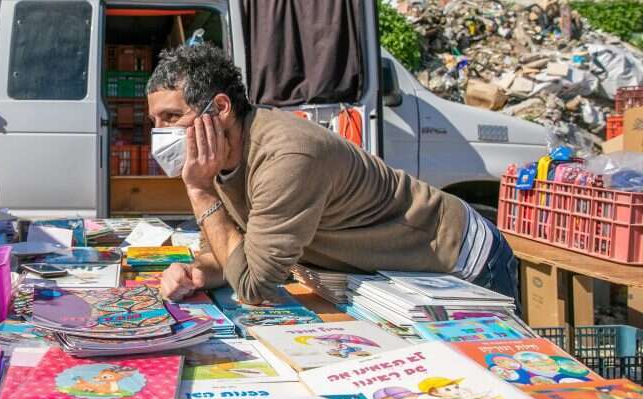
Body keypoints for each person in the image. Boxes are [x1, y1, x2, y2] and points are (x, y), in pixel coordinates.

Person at [149, 44, 519, 306]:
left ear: (221, 108)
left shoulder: (286, 156)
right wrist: (196, 271)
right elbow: (227, 252)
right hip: (397, 281)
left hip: (461, 262)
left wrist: (199, 192)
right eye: (154, 122)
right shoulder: (217, 157)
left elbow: (254, 285)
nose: (161, 132)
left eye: (171, 117)